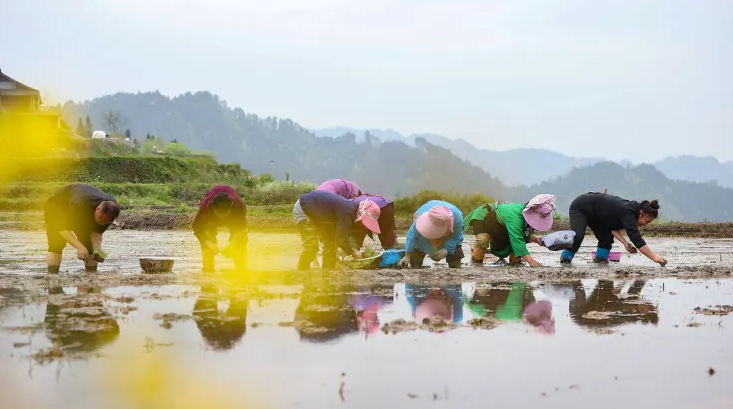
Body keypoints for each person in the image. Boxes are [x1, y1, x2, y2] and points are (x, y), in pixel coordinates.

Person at [560, 193, 667, 266]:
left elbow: (611, 227)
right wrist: (654, 257)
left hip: (598, 217)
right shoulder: (629, 213)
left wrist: (625, 243)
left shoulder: (631, 212)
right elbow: (637, 239)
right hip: (581, 207)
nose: (645, 225)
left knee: (606, 238)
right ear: (642, 213)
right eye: (646, 221)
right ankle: (565, 261)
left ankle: (600, 263)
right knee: (578, 236)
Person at [294, 190, 381, 270]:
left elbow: (340, 236)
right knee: (311, 248)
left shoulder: (350, 209)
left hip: (319, 213)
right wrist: (353, 253)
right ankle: (301, 273)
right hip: (304, 209)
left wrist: (350, 249)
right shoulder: (348, 213)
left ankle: (328, 271)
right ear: (363, 212)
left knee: (330, 244)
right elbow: (341, 239)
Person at [44, 184, 120, 274]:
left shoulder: (111, 211)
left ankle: (91, 277)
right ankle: (53, 276)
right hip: (58, 206)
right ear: (98, 209)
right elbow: (62, 229)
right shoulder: (79, 204)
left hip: (83, 210)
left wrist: (97, 250)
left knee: (90, 247)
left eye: (105, 223)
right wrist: (79, 247)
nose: (102, 224)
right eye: (100, 220)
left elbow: (97, 231)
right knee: (56, 243)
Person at [463, 194, 556, 267]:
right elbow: (517, 241)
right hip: (484, 216)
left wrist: (535, 239)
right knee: (482, 239)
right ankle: (476, 263)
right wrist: (532, 262)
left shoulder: (524, 218)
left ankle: (515, 263)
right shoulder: (515, 217)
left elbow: (522, 234)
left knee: (518, 238)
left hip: (499, 224)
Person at [192, 186, 248, 273]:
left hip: (233, 217)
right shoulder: (205, 207)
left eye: (224, 214)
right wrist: (206, 242)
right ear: (212, 207)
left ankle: (241, 269)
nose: (221, 217)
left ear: (231, 206)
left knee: (241, 239)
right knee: (207, 237)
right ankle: (208, 269)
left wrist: (233, 244)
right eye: (218, 213)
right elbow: (197, 227)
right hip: (211, 218)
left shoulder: (239, 206)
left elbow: (242, 229)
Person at [398, 201, 464, 268]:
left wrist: (446, 250)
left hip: (450, 236)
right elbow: (412, 236)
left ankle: (455, 267)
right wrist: (407, 256)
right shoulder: (420, 219)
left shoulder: (457, 218)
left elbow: (455, 237)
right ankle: (415, 266)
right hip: (424, 234)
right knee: (415, 258)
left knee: (455, 251)